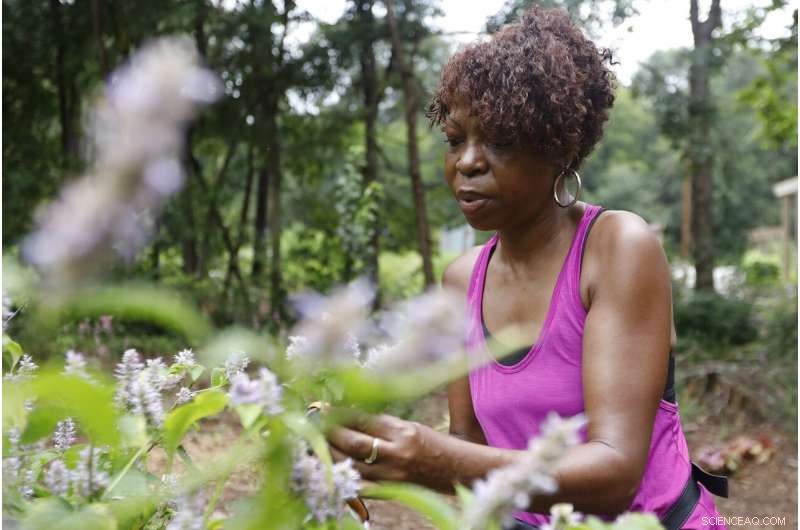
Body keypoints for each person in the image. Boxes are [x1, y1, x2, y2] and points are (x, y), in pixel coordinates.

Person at [327, 6, 728, 529]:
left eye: (499, 140)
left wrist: (429, 458)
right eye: (454, 140)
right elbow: (469, 450)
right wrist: (364, 456)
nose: (467, 162)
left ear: (558, 148)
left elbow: (615, 474)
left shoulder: (616, 249)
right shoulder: (460, 281)